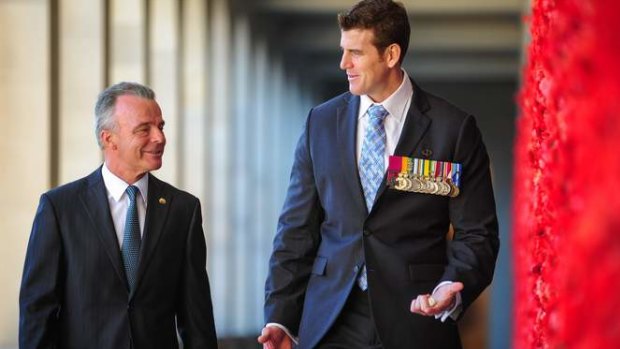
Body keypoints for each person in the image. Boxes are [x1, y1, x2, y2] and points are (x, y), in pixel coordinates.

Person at [258, 1, 499, 348]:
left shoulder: (454, 130)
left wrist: (452, 284)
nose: (344, 64)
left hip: (417, 317)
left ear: (391, 55)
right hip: (330, 321)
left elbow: (478, 235)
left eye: (355, 53)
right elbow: (296, 230)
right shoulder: (320, 124)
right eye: (343, 51)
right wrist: (281, 315)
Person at [19, 82, 218, 349]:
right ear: (108, 138)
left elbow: (197, 319)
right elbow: (37, 312)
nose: (159, 138)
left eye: (161, 126)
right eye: (144, 129)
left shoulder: (183, 210)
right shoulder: (60, 208)